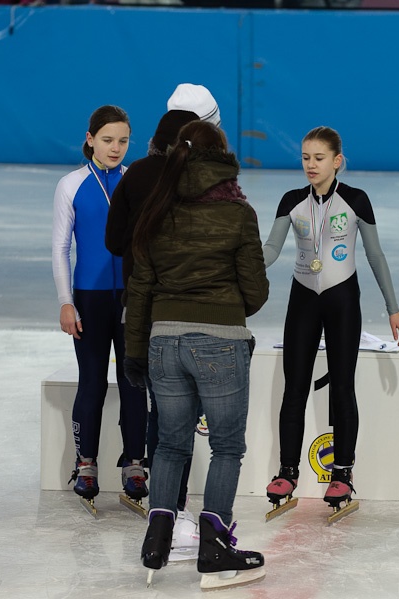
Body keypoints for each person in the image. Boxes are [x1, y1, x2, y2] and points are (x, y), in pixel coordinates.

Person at [123, 120, 269, 590]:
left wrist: (135, 352)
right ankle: (215, 544)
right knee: (226, 445)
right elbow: (256, 292)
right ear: (222, 158)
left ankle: (157, 539)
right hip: (219, 340)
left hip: (163, 340)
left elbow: (140, 289)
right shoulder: (238, 214)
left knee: (169, 444)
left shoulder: (156, 211)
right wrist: (225, 305)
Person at [261, 126, 399, 511]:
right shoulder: (292, 200)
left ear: (337, 161)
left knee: (343, 386)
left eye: (319, 158)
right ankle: (287, 470)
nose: (311, 164)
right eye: (306, 157)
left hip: (343, 299)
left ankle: (342, 472)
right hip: (303, 299)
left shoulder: (356, 200)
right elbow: (272, 247)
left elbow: (375, 256)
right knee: (295, 387)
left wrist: (393, 308)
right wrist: (241, 266)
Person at [106, 84, 220, 560]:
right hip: (190, 308)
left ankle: (164, 512)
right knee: (181, 409)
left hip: (141, 306)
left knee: (161, 408)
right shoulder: (202, 180)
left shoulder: (136, 176)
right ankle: (178, 511)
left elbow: (114, 242)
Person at [51, 105, 148, 512]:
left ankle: (134, 463)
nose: (115, 148)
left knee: (133, 383)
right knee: (91, 380)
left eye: (123, 141)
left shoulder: (135, 181)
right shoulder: (71, 184)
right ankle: (86, 461)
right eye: (107, 139)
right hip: (89, 298)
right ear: (90, 138)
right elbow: (61, 248)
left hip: (130, 298)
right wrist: (65, 302)